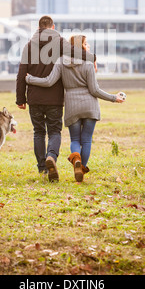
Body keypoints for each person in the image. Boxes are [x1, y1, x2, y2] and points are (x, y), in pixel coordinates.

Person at [26, 34, 125, 182]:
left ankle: (76, 160)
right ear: (81, 47)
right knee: (86, 140)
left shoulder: (60, 62)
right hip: (90, 105)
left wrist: (29, 79)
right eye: (87, 44)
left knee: (75, 139)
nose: (89, 46)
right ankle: (81, 167)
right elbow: (94, 90)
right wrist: (113, 98)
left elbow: (48, 81)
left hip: (72, 105)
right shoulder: (89, 64)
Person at [16, 16, 96, 182]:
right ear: (52, 27)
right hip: (54, 98)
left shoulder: (29, 46)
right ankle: (51, 156)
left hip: (34, 98)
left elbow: (21, 73)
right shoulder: (59, 42)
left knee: (38, 132)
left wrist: (20, 98)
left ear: (38, 28)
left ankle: (42, 169)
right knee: (54, 131)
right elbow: (76, 53)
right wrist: (92, 57)